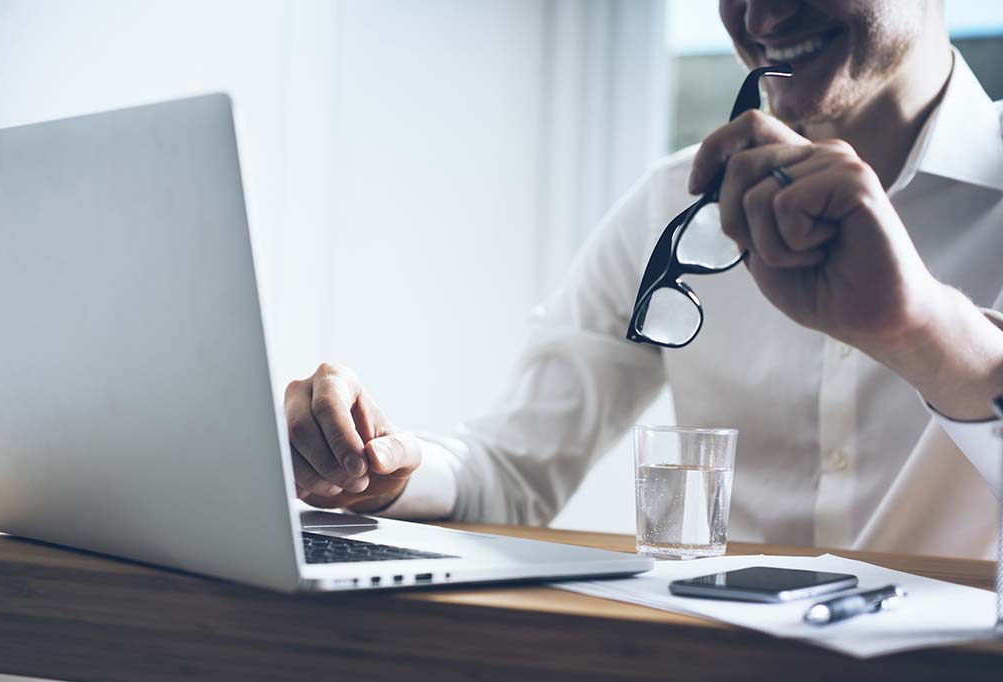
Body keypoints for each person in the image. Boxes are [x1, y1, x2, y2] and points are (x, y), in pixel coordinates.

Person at [283, 0, 1003, 558]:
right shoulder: (672, 206)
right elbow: (512, 470)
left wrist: (924, 332)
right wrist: (384, 468)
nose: (762, 18)